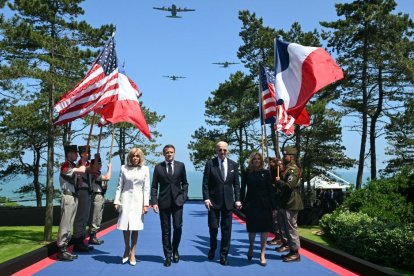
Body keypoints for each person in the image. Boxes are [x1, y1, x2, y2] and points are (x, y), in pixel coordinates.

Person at [202, 141, 242, 266]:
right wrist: (206, 198)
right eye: (220, 150)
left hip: (228, 203)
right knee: (213, 227)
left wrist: (238, 199)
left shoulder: (233, 165)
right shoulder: (210, 164)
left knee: (226, 230)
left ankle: (224, 255)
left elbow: (236, 184)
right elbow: (205, 183)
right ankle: (213, 248)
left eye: (224, 150)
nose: (222, 152)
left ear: (227, 150)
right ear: (216, 150)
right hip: (213, 202)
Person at [151, 144, 189, 267]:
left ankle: (175, 249)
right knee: (166, 230)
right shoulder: (158, 168)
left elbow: (185, 183)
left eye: (171, 152)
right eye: (167, 152)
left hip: (178, 202)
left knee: (178, 227)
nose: (169, 154)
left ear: (174, 153)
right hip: (164, 203)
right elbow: (154, 186)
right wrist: (154, 202)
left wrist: (183, 197)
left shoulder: (181, 166)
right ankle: (167, 255)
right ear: (164, 154)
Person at [114, 147, 150, 266]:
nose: (135, 158)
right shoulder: (124, 168)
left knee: (135, 227)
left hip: (138, 201)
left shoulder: (145, 169)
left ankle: (133, 253)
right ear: (129, 157)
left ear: (140, 158)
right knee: (126, 226)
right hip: (125, 199)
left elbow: (146, 188)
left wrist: (146, 204)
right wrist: (116, 201)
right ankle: (126, 248)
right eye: (133, 156)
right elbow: (119, 186)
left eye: (137, 156)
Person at [244, 152, 275, 266]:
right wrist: (241, 202)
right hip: (251, 204)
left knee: (264, 230)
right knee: (252, 229)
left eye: (259, 159)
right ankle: (251, 247)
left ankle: (262, 253)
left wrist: (273, 206)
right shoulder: (247, 172)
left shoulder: (266, 173)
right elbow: (243, 188)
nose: (257, 161)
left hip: (264, 205)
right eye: (255, 159)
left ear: (261, 161)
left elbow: (270, 190)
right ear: (251, 161)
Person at [56, 145, 86, 261]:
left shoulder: (72, 166)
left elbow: (79, 179)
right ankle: (61, 249)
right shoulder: (65, 165)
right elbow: (80, 170)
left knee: (69, 224)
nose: (77, 155)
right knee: (65, 224)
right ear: (69, 154)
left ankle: (65, 248)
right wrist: (82, 163)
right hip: (68, 197)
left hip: (73, 197)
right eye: (75, 153)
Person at [275, 146, 304, 262]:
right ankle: (289, 247)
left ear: (291, 157)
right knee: (286, 228)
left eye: (286, 155)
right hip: (285, 202)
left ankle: (295, 252)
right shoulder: (287, 168)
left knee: (291, 228)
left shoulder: (294, 170)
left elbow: (289, 186)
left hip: (292, 202)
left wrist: (279, 182)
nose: (284, 157)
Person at [72, 145, 98, 252]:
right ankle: (77, 241)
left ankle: (81, 240)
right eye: (87, 152)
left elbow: (94, 170)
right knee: (80, 217)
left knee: (85, 217)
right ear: (82, 154)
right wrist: (94, 161)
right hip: (82, 191)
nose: (89, 154)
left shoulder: (86, 164)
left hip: (88, 191)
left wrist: (96, 160)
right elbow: (91, 170)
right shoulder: (80, 164)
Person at [88, 158, 112, 245]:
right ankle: (92, 236)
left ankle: (94, 235)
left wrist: (104, 187)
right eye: (99, 164)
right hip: (96, 196)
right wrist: (110, 168)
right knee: (95, 217)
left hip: (100, 195)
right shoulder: (93, 173)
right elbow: (107, 177)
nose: (101, 165)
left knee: (98, 217)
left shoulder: (97, 173)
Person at [267, 157, 284, 247]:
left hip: (278, 198)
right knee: (274, 218)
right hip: (272, 197)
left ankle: (279, 237)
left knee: (277, 218)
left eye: (271, 162)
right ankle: (278, 236)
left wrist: (275, 184)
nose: (270, 164)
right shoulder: (271, 171)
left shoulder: (279, 170)